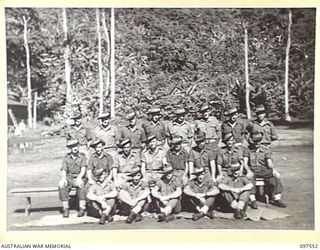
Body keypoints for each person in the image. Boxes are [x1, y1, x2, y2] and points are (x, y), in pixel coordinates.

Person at [243, 132, 287, 208]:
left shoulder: (266, 150)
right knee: (249, 179)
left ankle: (277, 199)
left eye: (259, 141)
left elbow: (269, 162)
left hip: (263, 170)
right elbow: (245, 163)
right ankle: (253, 200)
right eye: (255, 141)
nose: (257, 143)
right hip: (252, 170)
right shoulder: (248, 150)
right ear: (251, 141)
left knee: (275, 177)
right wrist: (248, 171)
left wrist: (274, 170)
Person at [58, 139, 87, 218]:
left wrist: (79, 178)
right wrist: (63, 178)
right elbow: (64, 169)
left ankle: (82, 208)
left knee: (82, 186)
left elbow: (83, 169)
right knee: (62, 186)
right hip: (69, 177)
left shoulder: (82, 156)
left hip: (80, 176)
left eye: (76, 146)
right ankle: (66, 208)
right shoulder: (66, 157)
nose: (75, 148)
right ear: (69, 148)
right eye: (72, 147)